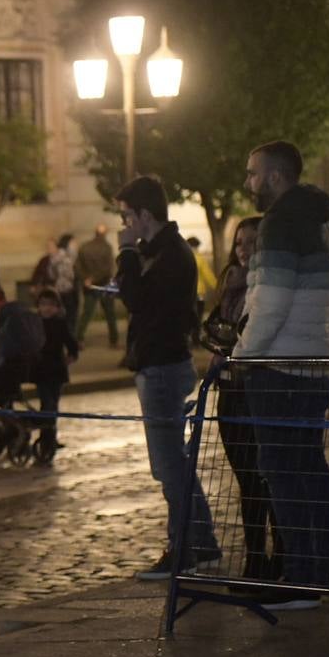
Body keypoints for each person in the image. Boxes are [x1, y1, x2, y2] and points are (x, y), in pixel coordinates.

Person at [235, 140, 329, 608]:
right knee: (311, 468)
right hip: (315, 360)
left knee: (281, 470)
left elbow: (271, 302)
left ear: (276, 176)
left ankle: (299, 578)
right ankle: (326, 571)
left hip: (278, 366)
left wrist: (242, 353)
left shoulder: (281, 222)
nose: (248, 183)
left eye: (253, 173)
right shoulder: (327, 221)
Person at [112, 176, 221, 581]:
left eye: (127, 216)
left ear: (144, 214)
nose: (125, 225)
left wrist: (125, 254)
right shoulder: (159, 251)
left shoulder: (171, 255)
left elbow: (139, 299)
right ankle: (202, 544)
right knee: (174, 463)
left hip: (161, 366)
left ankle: (185, 549)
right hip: (158, 362)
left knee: (169, 466)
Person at [206, 216, 285, 582]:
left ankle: (281, 555)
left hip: (259, 388)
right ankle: (255, 559)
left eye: (252, 242)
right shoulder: (230, 285)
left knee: (268, 476)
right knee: (246, 479)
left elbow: (255, 334)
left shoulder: (268, 284)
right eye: (239, 242)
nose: (244, 249)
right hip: (231, 390)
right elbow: (215, 329)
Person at [31, 288, 79, 453]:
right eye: (43, 305)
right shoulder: (35, 323)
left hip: (57, 371)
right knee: (47, 404)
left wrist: (72, 355)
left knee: (53, 405)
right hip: (42, 371)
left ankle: (50, 437)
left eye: (51, 305)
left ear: (58, 307)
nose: (47, 308)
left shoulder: (60, 324)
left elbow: (71, 342)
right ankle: (46, 439)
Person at [75, 223, 119, 347]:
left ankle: (79, 339)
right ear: (104, 234)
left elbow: (77, 266)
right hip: (104, 284)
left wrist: (86, 279)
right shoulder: (107, 247)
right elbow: (107, 268)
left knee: (86, 313)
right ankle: (113, 340)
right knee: (110, 314)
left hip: (88, 285)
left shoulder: (85, 247)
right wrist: (94, 278)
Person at [186, 236, 219, 346]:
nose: (196, 249)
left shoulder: (183, 258)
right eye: (196, 247)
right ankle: (195, 341)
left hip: (187, 295)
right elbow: (208, 275)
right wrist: (218, 287)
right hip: (199, 294)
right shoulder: (199, 259)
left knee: (188, 318)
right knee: (197, 319)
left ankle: (188, 340)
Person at [52, 233, 79, 334]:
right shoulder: (67, 257)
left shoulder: (57, 255)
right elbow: (70, 275)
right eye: (73, 242)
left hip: (60, 288)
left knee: (64, 314)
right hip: (68, 288)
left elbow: (52, 273)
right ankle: (69, 336)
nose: (76, 245)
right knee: (70, 315)